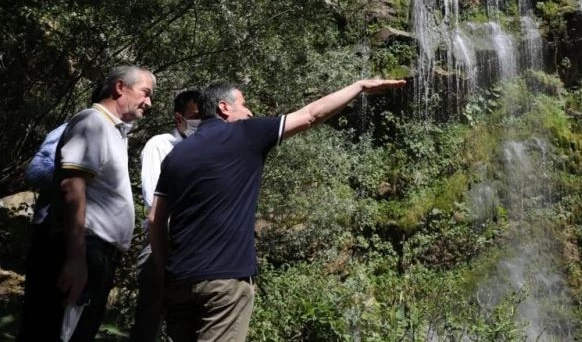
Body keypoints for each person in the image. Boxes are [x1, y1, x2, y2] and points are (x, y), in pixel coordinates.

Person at [149, 78, 405, 342]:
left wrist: (163, 270)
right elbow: (310, 115)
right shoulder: (244, 133)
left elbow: (155, 217)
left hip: (179, 281)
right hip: (224, 281)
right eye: (245, 104)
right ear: (224, 108)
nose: (250, 112)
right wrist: (359, 87)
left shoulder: (176, 155)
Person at [17, 65, 156, 342]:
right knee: (55, 332)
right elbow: (72, 187)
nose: (149, 103)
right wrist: (76, 258)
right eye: (146, 93)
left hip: (97, 256)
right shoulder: (92, 122)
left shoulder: (114, 131)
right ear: (120, 87)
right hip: (81, 251)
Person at [130, 89, 201, 342]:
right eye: (194, 116)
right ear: (178, 118)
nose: (200, 121)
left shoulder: (207, 149)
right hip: (162, 242)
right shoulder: (160, 145)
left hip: (196, 250)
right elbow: (155, 200)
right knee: (150, 317)